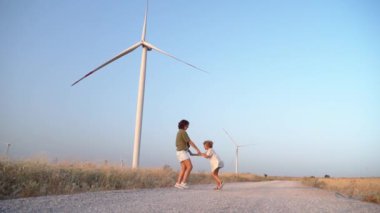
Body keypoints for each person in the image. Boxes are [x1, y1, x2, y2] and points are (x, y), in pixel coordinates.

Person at [175, 119, 202, 189]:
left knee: (183, 168)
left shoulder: (179, 132)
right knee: (190, 167)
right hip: (182, 152)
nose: (188, 127)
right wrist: (197, 149)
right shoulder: (183, 132)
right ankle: (183, 183)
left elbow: (186, 148)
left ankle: (178, 183)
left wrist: (194, 153)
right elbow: (190, 142)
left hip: (179, 152)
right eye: (187, 125)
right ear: (184, 125)